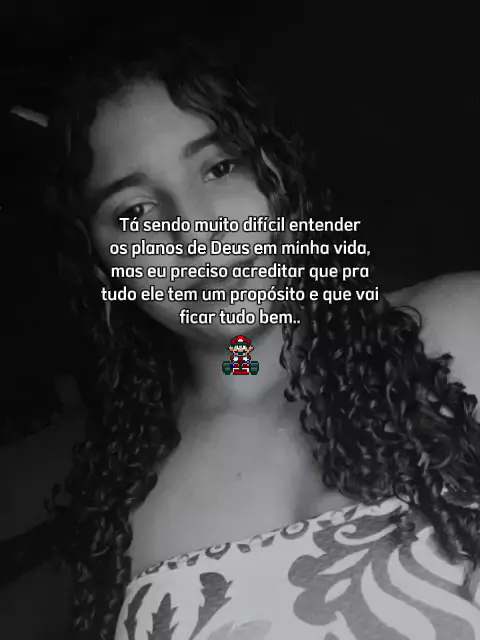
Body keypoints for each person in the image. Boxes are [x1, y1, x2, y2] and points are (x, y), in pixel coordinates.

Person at [47, 29, 480, 640]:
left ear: (279, 174)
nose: (195, 232)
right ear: (100, 264)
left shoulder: (463, 327)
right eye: (135, 212)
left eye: (220, 167)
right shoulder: (118, 513)